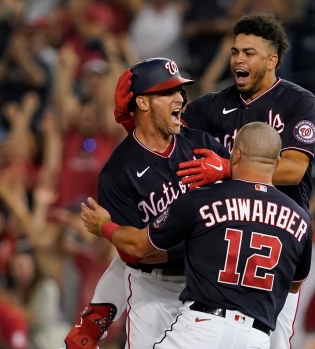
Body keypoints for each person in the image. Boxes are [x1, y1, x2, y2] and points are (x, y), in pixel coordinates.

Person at [113, 12, 315, 348]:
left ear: (272, 60)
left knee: (277, 340)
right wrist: (137, 112)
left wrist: (224, 169)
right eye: (235, 51)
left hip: (277, 238)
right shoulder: (212, 106)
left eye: (249, 53)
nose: (238, 59)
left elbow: (294, 169)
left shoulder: (298, 101)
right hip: (221, 239)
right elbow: (166, 140)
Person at [80, 122, 313, 349]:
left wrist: (103, 226)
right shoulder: (301, 219)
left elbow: (138, 247)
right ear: (278, 162)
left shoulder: (204, 199)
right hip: (257, 337)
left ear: (236, 155)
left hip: (203, 328)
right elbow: (294, 285)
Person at [63, 57, 230, 349]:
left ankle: (94, 318)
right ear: (142, 103)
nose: (180, 98)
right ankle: (93, 319)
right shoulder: (118, 171)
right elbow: (134, 255)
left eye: (180, 91)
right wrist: (198, 245)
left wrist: (230, 169)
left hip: (208, 286)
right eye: (168, 92)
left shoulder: (202, 144)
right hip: (155, 289)